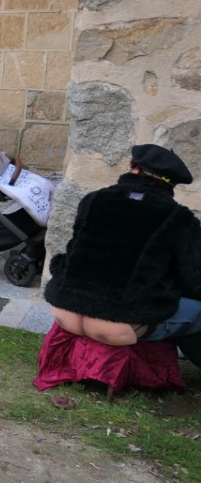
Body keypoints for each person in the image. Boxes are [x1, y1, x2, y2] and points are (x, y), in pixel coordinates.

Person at [44, 143, 201, 365]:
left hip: (65, 310)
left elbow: (74, 251)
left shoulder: (92, 200)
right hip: (118, 324)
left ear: (132, 167)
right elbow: (192, 278)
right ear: (172, 184)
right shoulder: (179, 218)